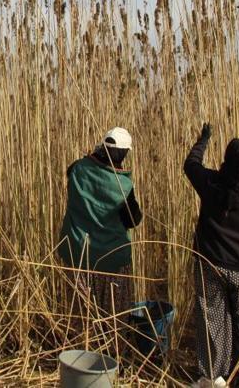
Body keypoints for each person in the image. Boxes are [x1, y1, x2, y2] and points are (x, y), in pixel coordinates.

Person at [183, 123, 239, 388]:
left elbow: (191, 164)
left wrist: (203, 140)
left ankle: (213, 377)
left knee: (212, 318)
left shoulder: (210, 182)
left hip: (210, 264)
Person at [57, 127, 142, 338]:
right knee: (113, 316)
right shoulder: (122, 185)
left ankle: (81, 353)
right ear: (124, 153)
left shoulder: (78, 168)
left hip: (78, 254)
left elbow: (73, 170)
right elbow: (133, 220)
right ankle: (112, 352)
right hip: (111, 260)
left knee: (82, 316)